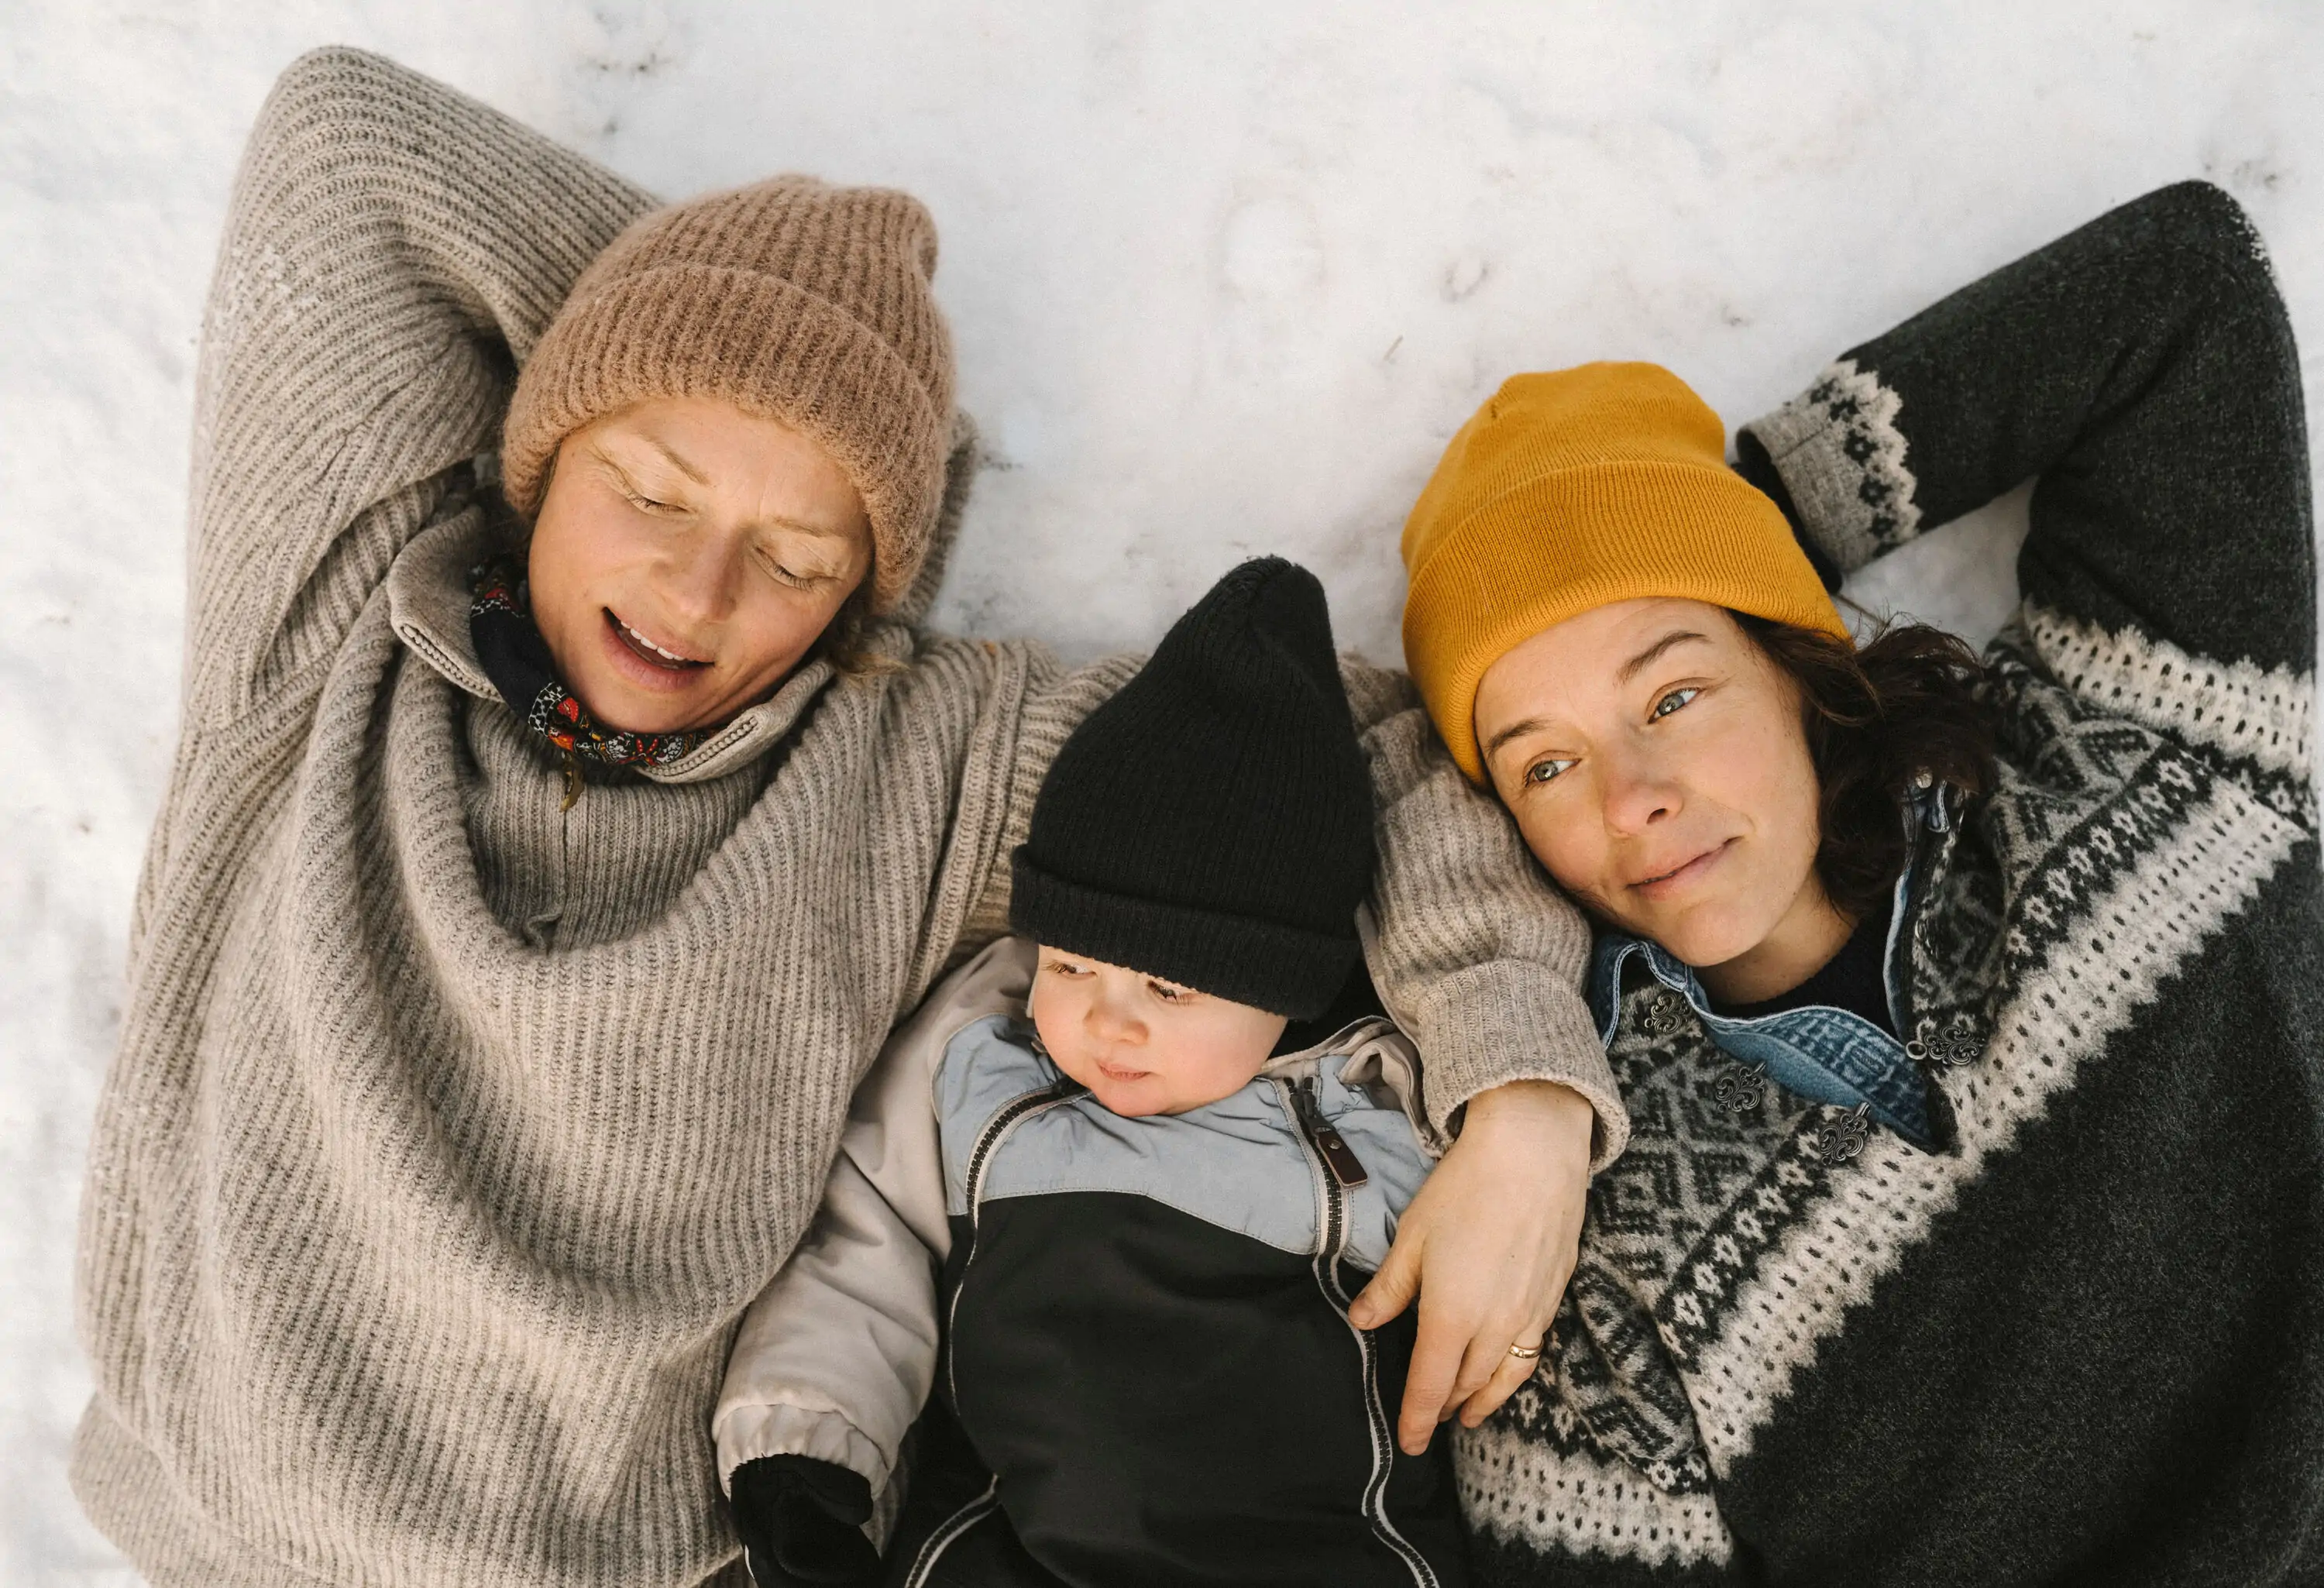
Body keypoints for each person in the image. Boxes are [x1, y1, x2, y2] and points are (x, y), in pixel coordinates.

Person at [68, 49, 1618, 1588]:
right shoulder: (330, 623)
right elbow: (349, 145)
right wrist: (728, 323)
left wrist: (1524, 1094)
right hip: (210, 1535)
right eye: (653, 490)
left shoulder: (919, 757)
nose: (697, 593)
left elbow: (1344, 740)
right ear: (540, 461)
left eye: (799, 552)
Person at [1396, 180, 2321, 1583]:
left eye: (1677, 690)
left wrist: (1734, 520)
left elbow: (2180, 289)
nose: (1631, 799)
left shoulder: (2129, 740)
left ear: (1794, 660)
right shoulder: (1597, 1263)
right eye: (1542, 766)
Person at [717, 558, 1468, 1588]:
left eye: (1169, 989)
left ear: (1288, 986)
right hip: (1015, 1547)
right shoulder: (983, 1055)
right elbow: (862, 1242)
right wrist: (802, 1454)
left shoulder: (1388, 1100)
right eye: (1070, 963)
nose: (1106, 1021)